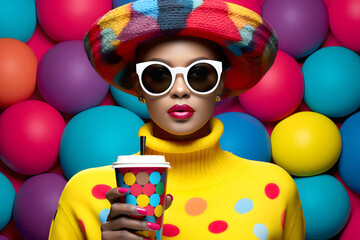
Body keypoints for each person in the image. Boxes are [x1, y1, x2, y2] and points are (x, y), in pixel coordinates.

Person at [49, 0, 305, 239]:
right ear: (139, 86)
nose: (180, 90)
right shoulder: (85, 195)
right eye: (158, 75)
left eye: (199, 73)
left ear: (221, 84)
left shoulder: (275, 189)